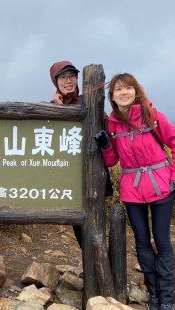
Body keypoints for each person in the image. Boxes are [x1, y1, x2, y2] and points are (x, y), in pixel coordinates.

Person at [93, 73, 175, 310]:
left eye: (128, 88)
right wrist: (104, 145)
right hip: (132, 190)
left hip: (161, 186)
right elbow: (113, 161)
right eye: (118, 90)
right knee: (142, 243)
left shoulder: (153, 117)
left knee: (162, 241)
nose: (123, 93)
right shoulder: (113, 125)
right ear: (112, 97)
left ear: (136, 91)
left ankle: (167, 299)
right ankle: (153, 295)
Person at [49, 60, 113, 248]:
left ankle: (103, 268)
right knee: (78, 224)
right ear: (55, 81)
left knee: (97, 222)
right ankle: (90, 267)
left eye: (72, 76)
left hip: (93, 170)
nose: (68, 81)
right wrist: (57, 110)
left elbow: (107, 127)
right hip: (69, 175)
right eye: (63, 77)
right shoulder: (52, 105)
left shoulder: (89, 100)